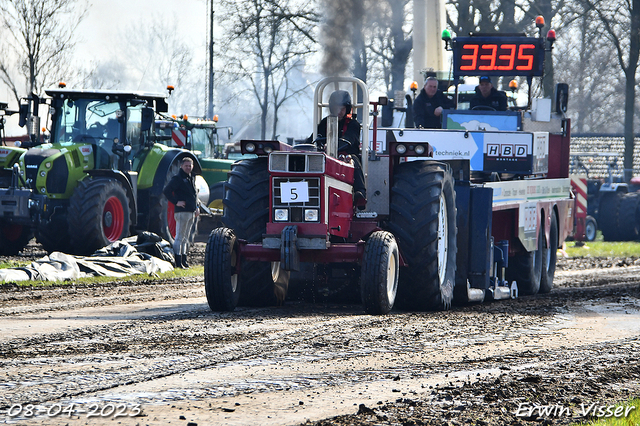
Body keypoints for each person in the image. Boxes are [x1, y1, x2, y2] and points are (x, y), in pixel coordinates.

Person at [309, 90, 366, 208]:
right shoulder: (325, 122)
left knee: (353, 160)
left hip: (346, 157)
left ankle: (360, 193)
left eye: (342, 108)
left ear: (347, 109)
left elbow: (350, 140)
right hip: (325, 158)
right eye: (336, 108)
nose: (339, 111)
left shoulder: (353, 124)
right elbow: (313, 139)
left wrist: (333, 145)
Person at [163, 157, 199, 268]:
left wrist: (197, 207)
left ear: (192, 167)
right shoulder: (177, 178)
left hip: (191, 211)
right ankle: (178, 261)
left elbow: (194, 195)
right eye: (186, 166)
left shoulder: (191, 178)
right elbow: (166, 190)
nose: (188, 168)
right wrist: (176, 202)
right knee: (179, 237)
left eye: (190, 166)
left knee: (185, 237)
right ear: (181, 166)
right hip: (182, 212)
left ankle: (184, 260)